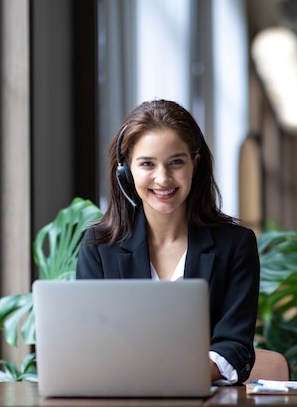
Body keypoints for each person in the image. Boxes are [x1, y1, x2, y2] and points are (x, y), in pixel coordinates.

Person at [76, 99, 260, 385]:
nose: (163, 178)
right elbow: (89, 344)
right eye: (147, 164)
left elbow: (234, 345)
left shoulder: (235, 245)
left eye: (176, 162)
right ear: (126, 171)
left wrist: (179, 375)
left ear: (195, 165)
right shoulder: (98, 248)